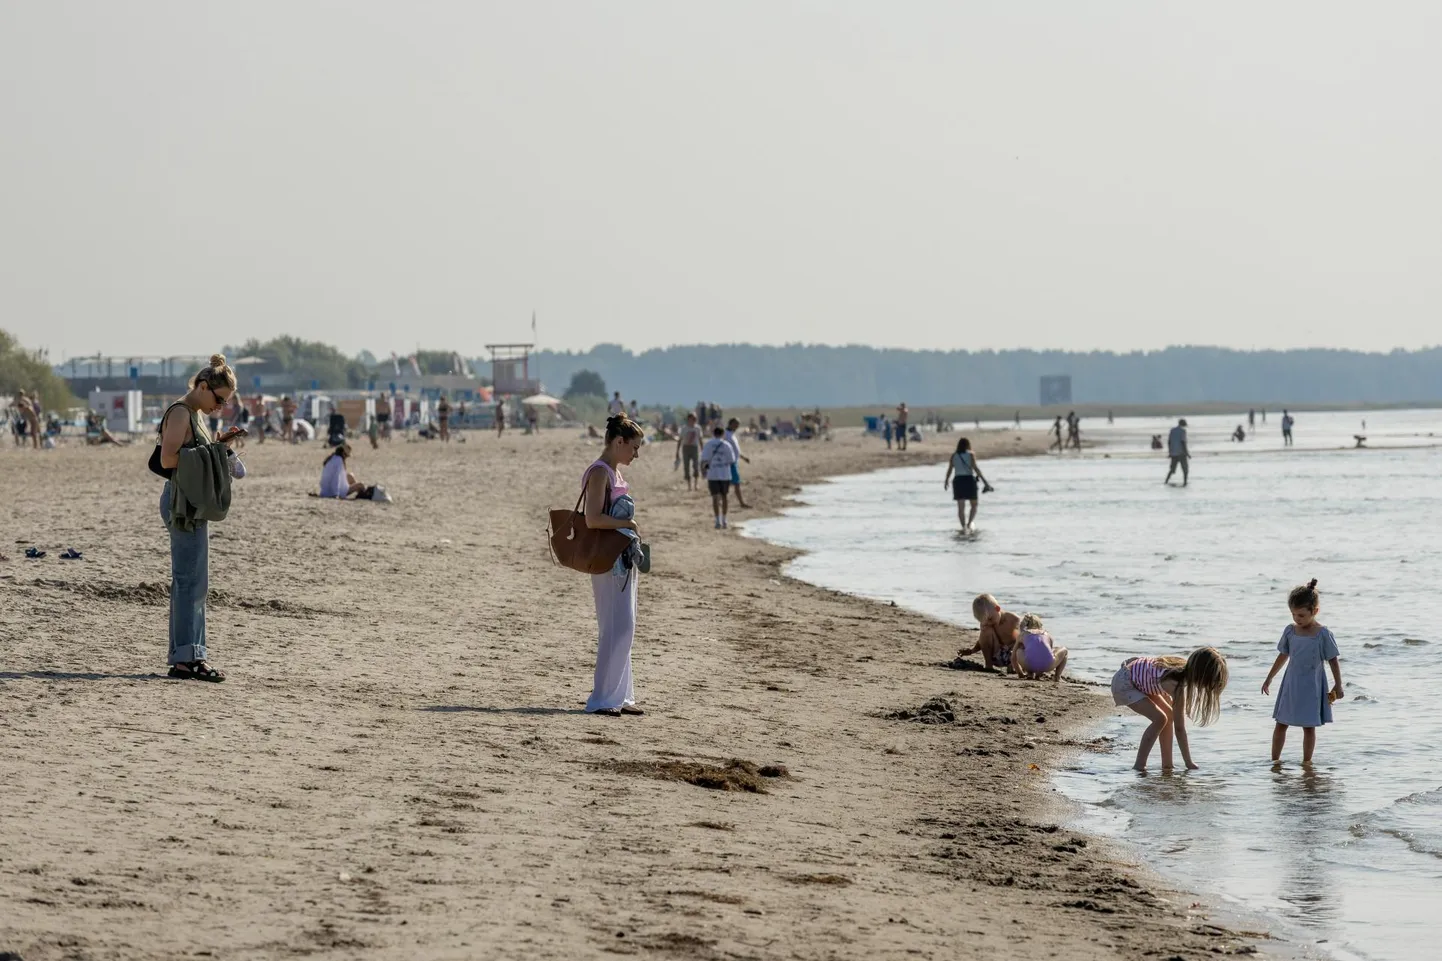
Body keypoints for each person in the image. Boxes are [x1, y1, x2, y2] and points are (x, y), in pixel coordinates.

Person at [152, 354, 245, 683]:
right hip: (182, 504)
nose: (220, 407)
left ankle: (188, 655)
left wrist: (218, 445)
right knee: (190, 582)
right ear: (204, 386)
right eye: (219, 399)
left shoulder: (193, 414)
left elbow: (190, 454)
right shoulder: (180, 413)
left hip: (189, 503)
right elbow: (168, 458)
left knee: (191, 582)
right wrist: (213, 452)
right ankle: (188, 659)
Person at [580, 414, 648, 717]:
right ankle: (602, 700)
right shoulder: (599, 473)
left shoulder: (614, 472)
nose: (636, 454)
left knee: (625, 625)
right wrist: (628, 522)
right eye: (633, 447)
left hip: (621, 557)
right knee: (616, 628)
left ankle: (622, 696)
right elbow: (592, 519)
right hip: (607, 559)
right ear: (618, 441)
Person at [1261, 579, 1344, 767]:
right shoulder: (1290, 631)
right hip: (1291, 684)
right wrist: (1269, 678)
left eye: (1301, 615)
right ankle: (1275, 762)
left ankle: (1307, 763)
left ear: (1315, 611)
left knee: (1309, 726)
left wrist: (1338, 684)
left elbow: (1333, 660)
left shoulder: (1323, 634)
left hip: (1312, 685)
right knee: (1281, 722)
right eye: (1293, 614)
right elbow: (1283, 655)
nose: (1296, 619)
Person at [1111, 647, 1228, 771]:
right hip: (1125, 683)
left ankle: (1167, 765)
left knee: (1169, 716)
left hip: (1138, 678)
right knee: (1160, 719)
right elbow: (1179, 729)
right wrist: (1188, 762)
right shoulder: (1176, 685)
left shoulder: (1181, 669)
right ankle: (1139, 765)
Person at [942, 437, 991, 534]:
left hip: (958, 480)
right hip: (969, 480)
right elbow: (976, 469)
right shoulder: (971, 455)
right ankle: (969, 524)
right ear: (968, 445)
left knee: (961, 507)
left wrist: (946, 480)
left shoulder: (954, 455)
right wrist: (985, 482)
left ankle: (963, 527)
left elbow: (950, 469)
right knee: (974, 504)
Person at [962, 594, 1020, 672]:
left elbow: (1024, 639)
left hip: (1014, 654)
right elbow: (983, 641)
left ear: (997, 608)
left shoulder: (1013, 619)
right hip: (996, 656)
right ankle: (988, 664)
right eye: (984, 621)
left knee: (1021, 644)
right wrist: (973, 650)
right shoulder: (987, 624)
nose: (989, 623)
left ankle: (1014, 666)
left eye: (990, 619)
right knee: (985, 630)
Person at [700, 425, 738, 529]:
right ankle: (724, 520)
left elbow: (703, 459)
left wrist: (703, 471)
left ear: (714, 434)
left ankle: (717, 521)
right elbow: (732, 460)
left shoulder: (708, 444)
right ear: (723, 434)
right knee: (724, 497)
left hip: (712, 474)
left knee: (715, 497)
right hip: (725, 474)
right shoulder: (727, 445)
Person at [1015, 613, 1068, 682]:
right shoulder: (1047, 634)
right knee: (1064, 650)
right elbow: (1046, 654)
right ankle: (1057, 677)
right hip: (1048, 666)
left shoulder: (1022, 635)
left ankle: (1030, 674)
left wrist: (1020, 673)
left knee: (1019, 650)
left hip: (1028, 664)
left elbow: (1013, 658)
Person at [723, 418, 752, 509]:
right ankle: (741, 503)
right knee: (735, 483)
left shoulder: (732, 435)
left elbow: (736, 450)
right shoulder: (726, 435)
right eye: (735, 424)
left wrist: (743, 458)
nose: (737, 427)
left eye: (738, 425)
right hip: (729, 462)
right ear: (730, 424)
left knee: (733, 483)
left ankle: (740, 502)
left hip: (734, 461)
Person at [676, 412, 703, 491]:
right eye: (693, 418)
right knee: (686, 467)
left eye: (695, 419)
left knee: (696, 466)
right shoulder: (684, 428)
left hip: (694, 447)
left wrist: (703, 450)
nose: (694, 420)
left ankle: (696, 484)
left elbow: (700, 439)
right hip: (686, 448)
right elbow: (680, 440)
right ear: (688, 419)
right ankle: (689, 486)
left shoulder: (698, 428)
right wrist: (677, 451)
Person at [1165, 418, 1189, 486]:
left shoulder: (1172, 430)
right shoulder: (1183, 431)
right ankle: (1185, 482)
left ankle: (1166, 481)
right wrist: (1186, 452)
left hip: (1173, 453)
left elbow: (1169, 442)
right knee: (1185, 469)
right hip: (1181, 453)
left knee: (1172, 469)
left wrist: (1170, 452)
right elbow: (1183, 442)